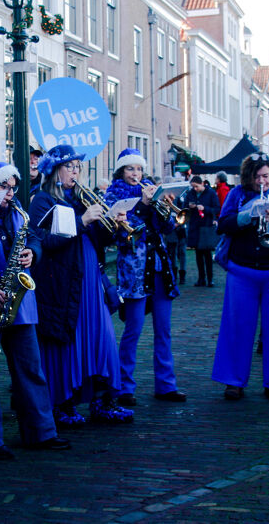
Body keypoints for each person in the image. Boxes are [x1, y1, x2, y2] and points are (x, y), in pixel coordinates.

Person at [0, 162, 71, 459]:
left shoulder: (17, 209)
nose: (10, 194)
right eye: (3, 187)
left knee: (30, 368)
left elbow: (33, 235)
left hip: (18, 301)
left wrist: (32, 251)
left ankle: (41, 432)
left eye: (12, 187)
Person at [28, 145, 132, 426]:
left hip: (89, 280)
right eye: (69, 166)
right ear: (54, 170)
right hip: (62, 283)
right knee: (67, 344)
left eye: (77, 166)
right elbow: (44, 241)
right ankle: (63, 403)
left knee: (101, 339)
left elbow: (99, 241)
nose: (75, 171)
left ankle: (102, 400)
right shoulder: (42, 199)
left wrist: (112, 223)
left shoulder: (84, 198)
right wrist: (81, 220)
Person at [211, 153, 269, 401]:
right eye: (256, 176)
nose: (261, 181)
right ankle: (233, 381)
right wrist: (247, 215)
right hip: (243, 270)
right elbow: (223, 225)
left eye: (265, 175)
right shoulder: (237, 195)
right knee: (237, 325)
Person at [104, 149, 186, 407]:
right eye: (130, 169)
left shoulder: (151, 189)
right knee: (133, 330)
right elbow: (120, 236)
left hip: (160, 265)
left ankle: (166, 384)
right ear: (121, 172)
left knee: (164, 330)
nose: (135, 174)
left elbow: (169, 227)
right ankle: (124, 386)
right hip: (134, 268)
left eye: (138, 169)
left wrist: (164, 205)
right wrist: (142, 203)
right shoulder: (114, 194)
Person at [182, 176, 221, 287]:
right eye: (193, 187)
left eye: (196, 186)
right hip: (195, 226)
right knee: (198, 254)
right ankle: (201, 278)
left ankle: (210, 278)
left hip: (206, 226)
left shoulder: (211, 193)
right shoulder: (190, 193)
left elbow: (217, 208)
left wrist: (205, 209)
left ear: (202, 184)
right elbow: (185, 207)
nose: (195, 189)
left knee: (207, 254)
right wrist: (189, 206)